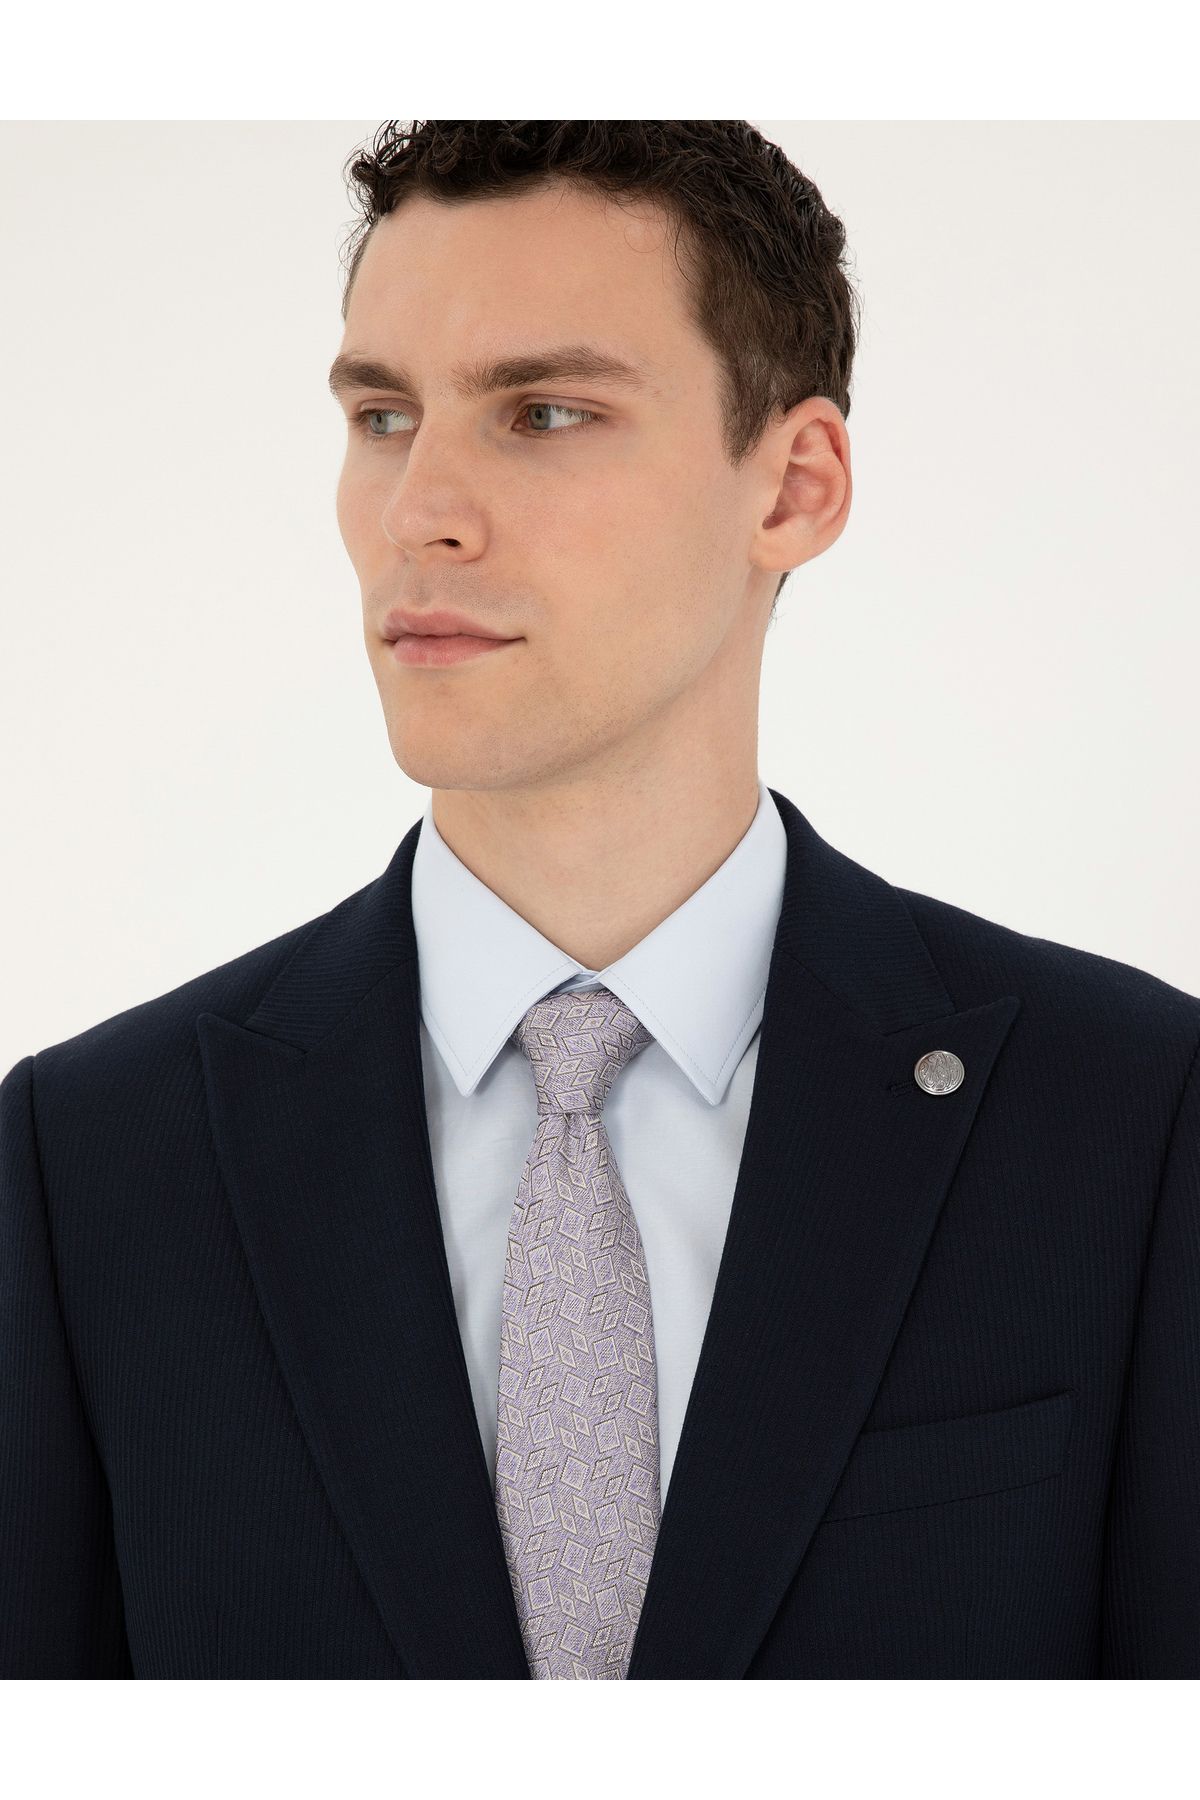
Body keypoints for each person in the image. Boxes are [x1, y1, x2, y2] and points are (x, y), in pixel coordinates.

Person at [1, 119, 1197, 1681]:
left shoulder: (1129, 1120)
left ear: (795, 486)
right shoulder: (89, 1163)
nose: (420, 511)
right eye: (382, 416)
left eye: (544, 412)